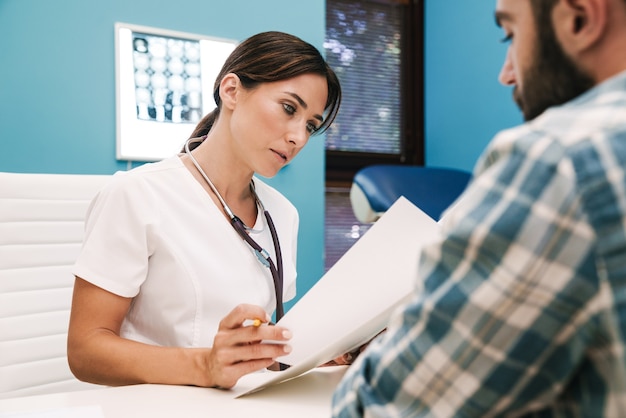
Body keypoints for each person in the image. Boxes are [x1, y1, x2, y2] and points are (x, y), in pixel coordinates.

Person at [332, 0, 626, 416]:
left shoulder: (558, 159)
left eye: (511, 35)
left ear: (579, 17)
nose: (506, 73)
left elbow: (385, 408)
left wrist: (406, 341)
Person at [67, 31, 341, 390]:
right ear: (232, 91)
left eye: (310, 126)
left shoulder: (282, 215)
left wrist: (320, 354)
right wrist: (205, 366)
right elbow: (85, 350)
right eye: (289, 108)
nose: (299, 138)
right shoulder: (136, 194)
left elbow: (257, 356)